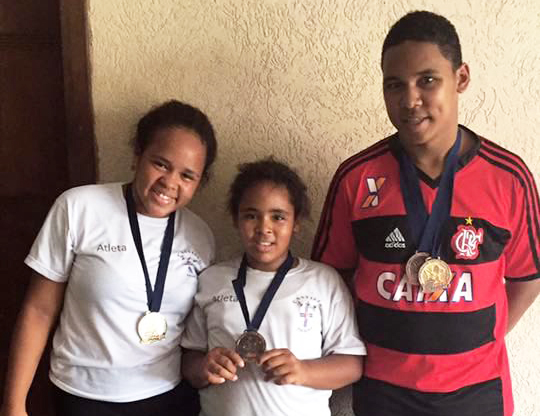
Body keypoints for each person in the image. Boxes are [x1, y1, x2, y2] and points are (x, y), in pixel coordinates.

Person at [311, 10, 540, 416]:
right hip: (384, 390)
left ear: (461, 79)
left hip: (478, 392)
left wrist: (486, 335)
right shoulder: (356, 177)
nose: (410, 100)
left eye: (427, 80)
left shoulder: (509, 178)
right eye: (394, 85)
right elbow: (329, 278)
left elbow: (527, 277)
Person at [0, 100, 218, 416]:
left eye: (187, 175)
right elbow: (39, 310)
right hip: (82, 396)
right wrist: (13, 404)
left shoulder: (200, 235)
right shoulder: (79, 207)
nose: (170, 183)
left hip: (167, 397)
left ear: (199, 183)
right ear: (137, 155)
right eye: (160, 164)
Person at [181, 158, 366, 416]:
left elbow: (352, 365)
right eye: (251, 216)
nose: (264, 228)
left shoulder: (324, 281)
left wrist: (303, 370)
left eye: (278, 217)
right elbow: (189, 358)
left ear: (296, 222)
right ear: (235, 219)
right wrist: (204, 368)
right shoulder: (212, 279)